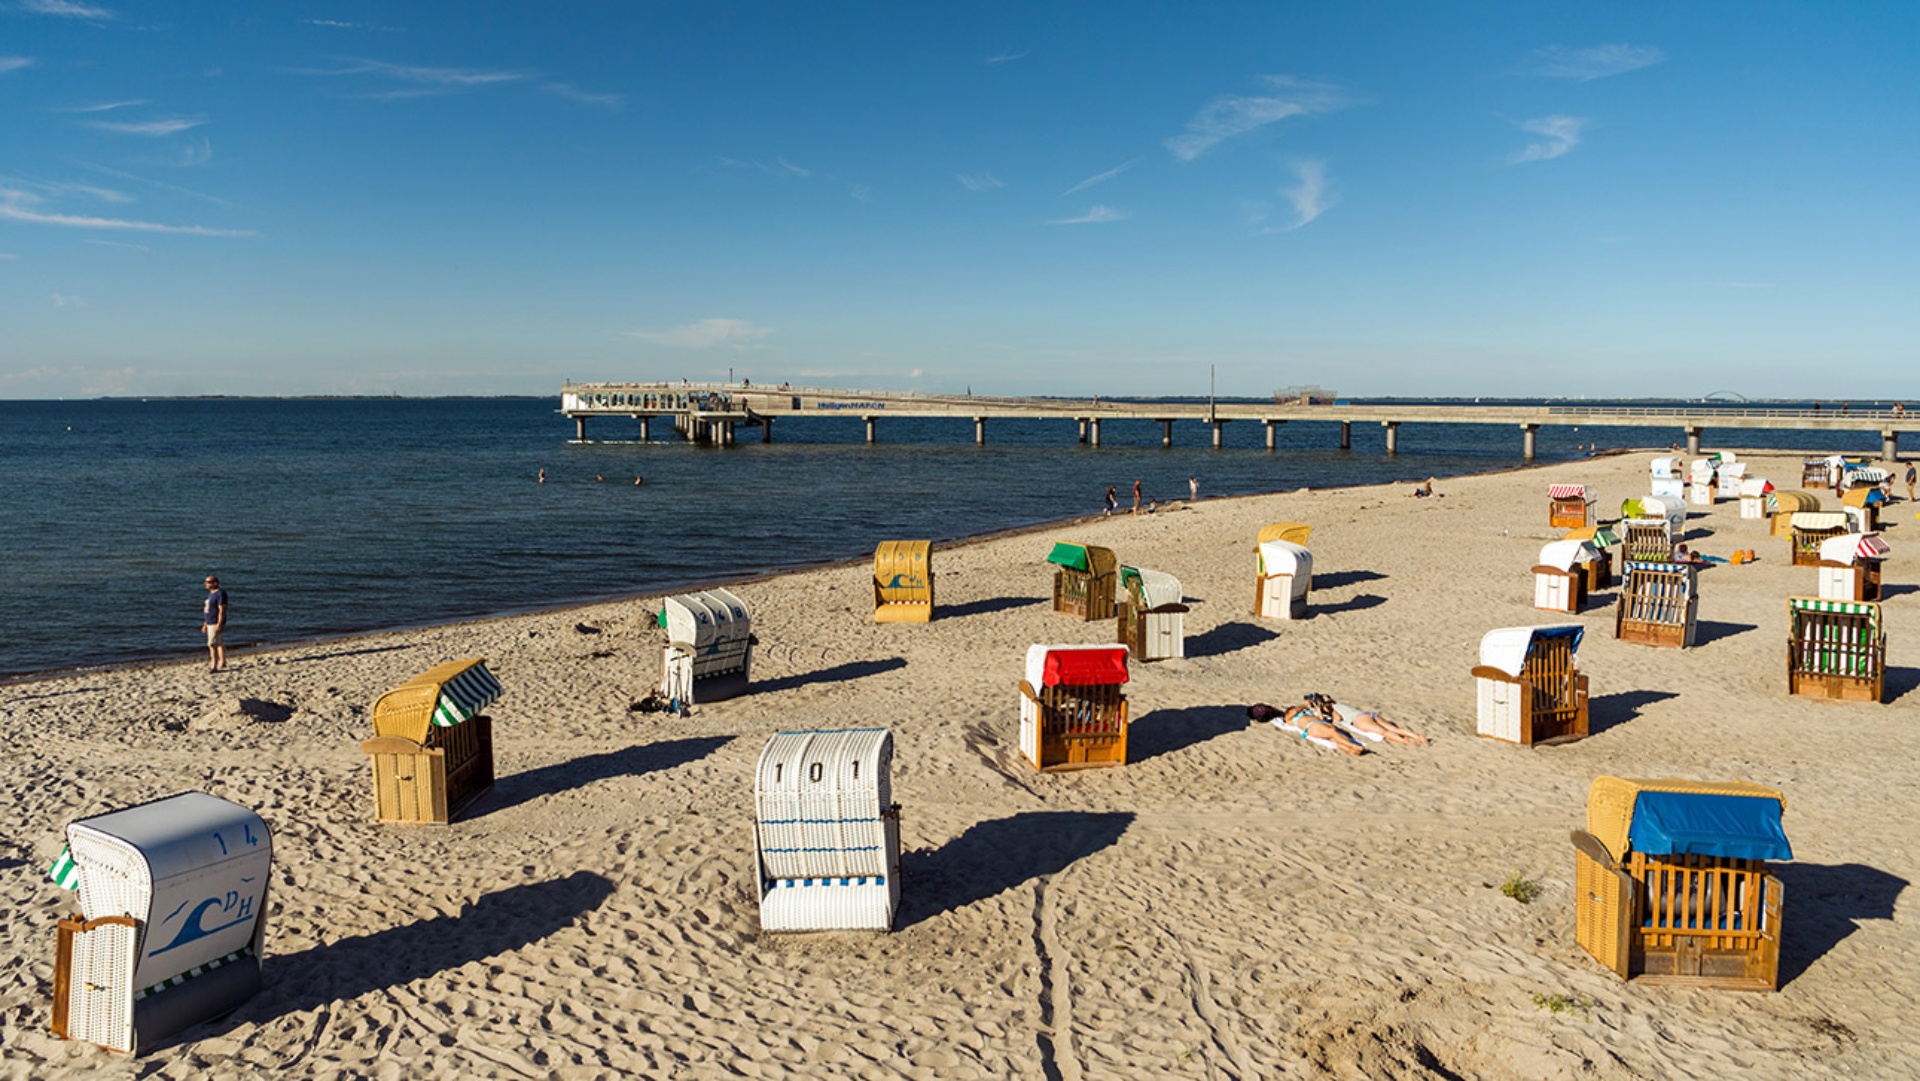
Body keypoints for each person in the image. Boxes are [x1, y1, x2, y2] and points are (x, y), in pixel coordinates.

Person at [202, 576, 228, 673]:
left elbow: (222, 610)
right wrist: (205, 623)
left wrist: (219, 624)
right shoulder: (211, 594)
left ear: (215, 583)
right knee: (219, 643)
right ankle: (223, 662)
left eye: (208, 582)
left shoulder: (220, 594)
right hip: (210, 621)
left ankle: (213, 666)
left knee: (212, 644)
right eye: (206, 582)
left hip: (215, 622)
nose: (206, 584)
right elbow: (208, 610)